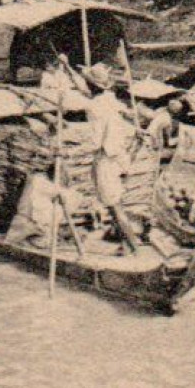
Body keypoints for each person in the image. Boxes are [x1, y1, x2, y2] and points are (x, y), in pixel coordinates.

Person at [81, 63, 143, 253]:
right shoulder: (111, 99)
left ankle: (135, 248)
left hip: (107, 156)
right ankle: (125, 243)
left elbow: (96, 140)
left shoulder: (94, 106)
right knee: (115, 201)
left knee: (114, 205)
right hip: (121, 156)